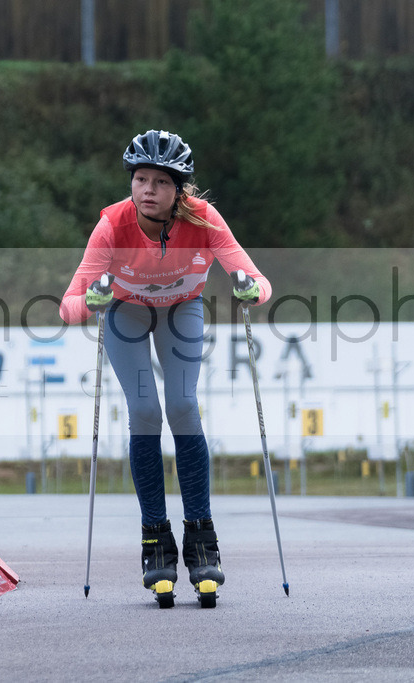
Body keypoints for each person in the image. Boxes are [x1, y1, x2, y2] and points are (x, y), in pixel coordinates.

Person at [59, 129, 271, 607]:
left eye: (159, 181)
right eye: (139, 179)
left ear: (179, 190)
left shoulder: (205, 219)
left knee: (181, 404)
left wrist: (247, 289)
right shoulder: (111, 226)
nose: (147, 190)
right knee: (145, 411)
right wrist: (91, 301)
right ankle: (155, 537)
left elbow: (258, 281)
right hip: (126, 313)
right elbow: (68, 305)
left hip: (182, 310)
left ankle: (201, 535)